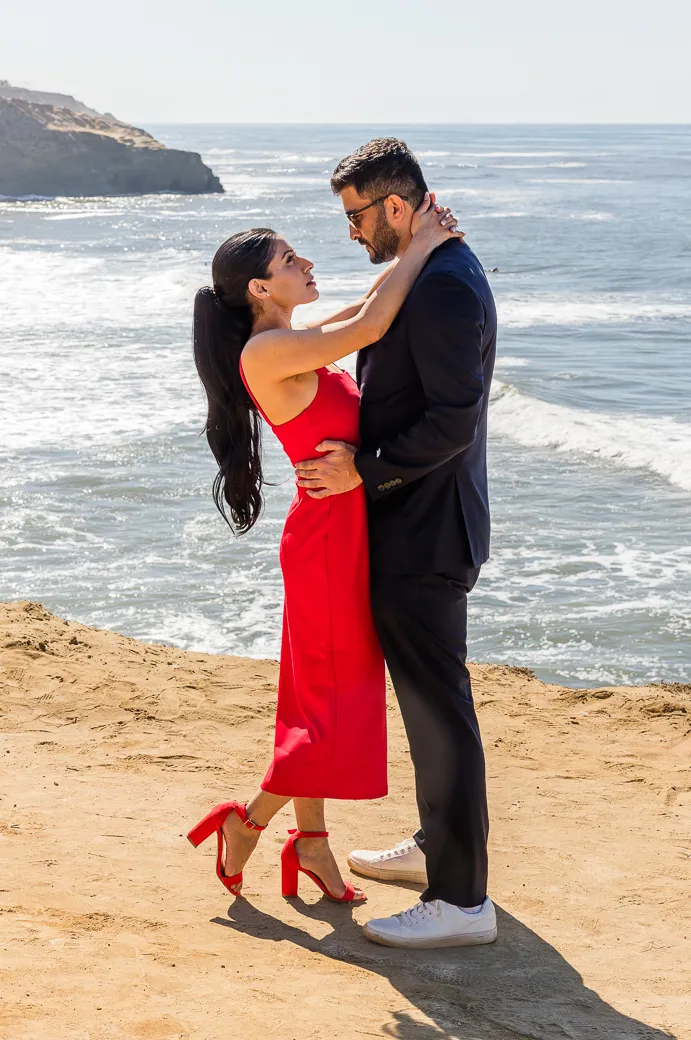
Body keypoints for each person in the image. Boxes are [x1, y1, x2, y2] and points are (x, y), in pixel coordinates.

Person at [186, 195, 463, 905]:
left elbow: (359, 312)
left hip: (341, 531)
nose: (307, 262)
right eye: (289, 259)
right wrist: (423, 248)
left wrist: (410, 251)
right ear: (258, 288)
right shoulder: (268, 350)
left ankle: (311, 842)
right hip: (326, 543)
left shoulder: (290, 334)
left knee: (322, 697)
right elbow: (372, 322)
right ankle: (245, 823)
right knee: (332, 702)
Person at [295, 138, 498, 948]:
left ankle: (460, 903)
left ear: (397, 206)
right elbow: (369, 317)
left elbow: (453, 419)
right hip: (415, 522)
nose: (349, 233)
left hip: (426, 530)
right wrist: (414, 247)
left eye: (355, 216)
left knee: (439, 712)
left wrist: (364, 471)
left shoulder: (446, 286)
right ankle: (434, 848)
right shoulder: (431, 266)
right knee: (425, 707)